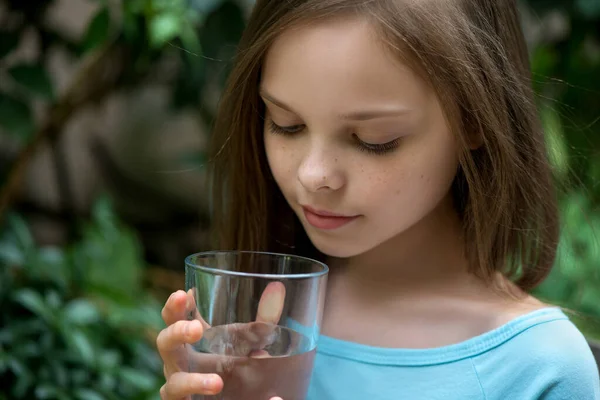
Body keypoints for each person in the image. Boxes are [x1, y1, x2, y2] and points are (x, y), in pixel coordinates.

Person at [156, 0, 600, 398]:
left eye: (373, 140)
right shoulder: (251, 324)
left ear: (473, 120)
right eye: (286, 124)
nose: (313, 174)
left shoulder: (540, 368)